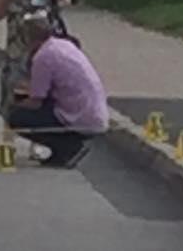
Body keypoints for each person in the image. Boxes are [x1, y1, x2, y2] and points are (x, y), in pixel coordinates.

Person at [6, 14, 108, 168]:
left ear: (27, 38)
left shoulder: (43, 57)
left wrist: (15, 103)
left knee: (17, 117)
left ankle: (67, 147)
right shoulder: (63, 45)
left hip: (78, 117)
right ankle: (62, 151)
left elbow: (36, 100)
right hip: (95, 113)